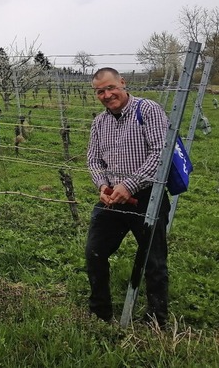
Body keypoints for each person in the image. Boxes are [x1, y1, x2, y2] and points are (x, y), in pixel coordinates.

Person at [86, 67, 171, 326]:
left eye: (111, 87)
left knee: (152, 258)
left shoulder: (147, 110)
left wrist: (130, 185)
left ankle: (156, 318)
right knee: (95, 251)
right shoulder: (99, 122)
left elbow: (161, 153)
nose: (107, 94)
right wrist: (102, 186)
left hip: (147, 196)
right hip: (111, 199)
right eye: (100, 91)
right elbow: (93, 159)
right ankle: (100, 312)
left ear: (123, 83)